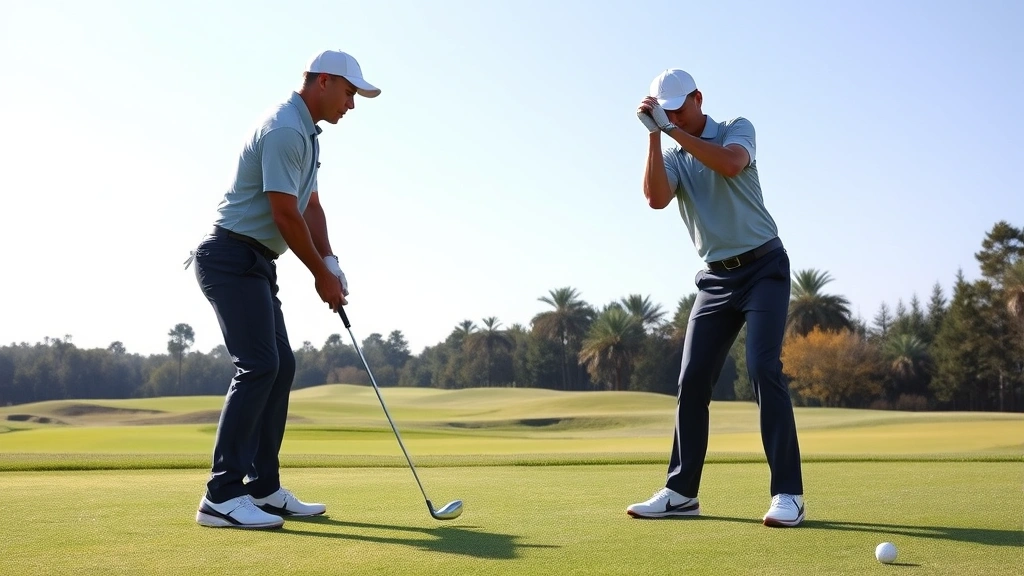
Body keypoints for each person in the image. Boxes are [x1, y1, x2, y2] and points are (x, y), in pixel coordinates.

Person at [187, 49, 381, 529]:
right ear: (323, 82)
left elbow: (310, 206)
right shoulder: (285, 129)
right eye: (350, 92)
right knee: (258, 365)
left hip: (255, 262)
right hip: (229, 257)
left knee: (281, 365)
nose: (352, 104)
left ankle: (264, 488)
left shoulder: (307, 135)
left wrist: (331, 261)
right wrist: (319, 274)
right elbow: (284, 214)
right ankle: (221, 495)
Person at [626, 69, 805, 527]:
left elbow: (730, 163)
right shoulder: (671, 149)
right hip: (715, 279)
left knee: (764, 368)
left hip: (764, 267)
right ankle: (681, 493)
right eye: (664, 111)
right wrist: (653, 138)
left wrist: (670, 132)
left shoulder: (736, 130)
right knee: (692, 380)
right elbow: (656, 200)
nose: (673, 117)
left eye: (678, 108)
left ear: (698, 99)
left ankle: (789, 493)